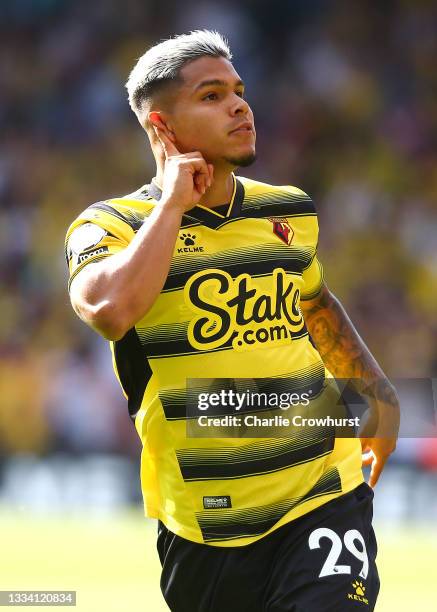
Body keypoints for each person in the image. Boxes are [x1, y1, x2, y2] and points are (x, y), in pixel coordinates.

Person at [65, 30, 399, 611]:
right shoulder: (111, 225)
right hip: (205, 525)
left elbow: (315, 301)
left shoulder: (286, 207)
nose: (241, 105)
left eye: (239, 91)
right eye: (212, 95)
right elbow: (110, 311)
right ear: (161, 126)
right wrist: (173, 205)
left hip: (322, 492)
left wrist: (377, 393)